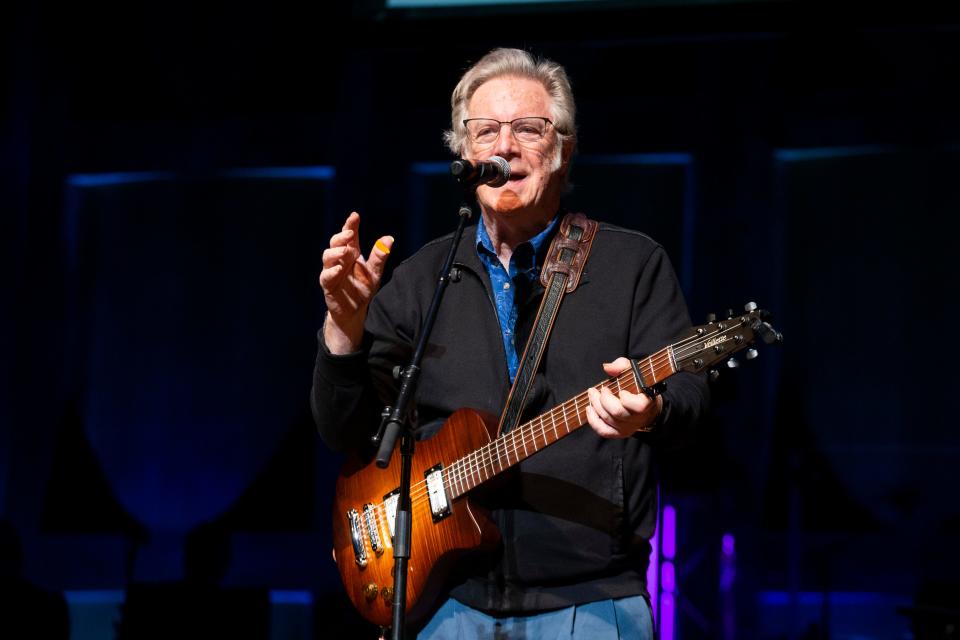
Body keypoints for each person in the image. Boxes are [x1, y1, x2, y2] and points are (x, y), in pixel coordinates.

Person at [312, 47, 709, 639]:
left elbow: (692, 401)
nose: (505, 147)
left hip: (591, 602)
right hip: (446, 601)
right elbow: (346, 433)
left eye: (528, 128)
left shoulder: (631, 264)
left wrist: (650, 413)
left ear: (563, 150)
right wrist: (342, 329)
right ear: (466, 155)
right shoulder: (424, 278)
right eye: (486, 131)